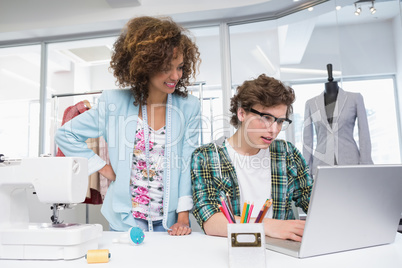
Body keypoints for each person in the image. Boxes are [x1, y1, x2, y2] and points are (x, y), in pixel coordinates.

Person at [55, 16, 201, 236]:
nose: (175, 76)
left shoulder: (189, 107)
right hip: (125, 218)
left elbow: (187, 164)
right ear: (145, 66)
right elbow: (66, 135)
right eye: (166, 68)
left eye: (179, 67)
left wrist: (182, 218)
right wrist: (101, 167)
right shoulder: (114, 103)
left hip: (170, 222)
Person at [191, 74, 313, 242]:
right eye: (266, 118)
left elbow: (312, 201)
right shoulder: (207, 156)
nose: (274, 129)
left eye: (280, 121)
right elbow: (211, 221)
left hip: (282, 251)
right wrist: (268, 225)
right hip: (235, 249)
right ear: (241, 113)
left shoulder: (287, 153)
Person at [303, 64, 373, 178]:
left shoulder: (354, 98)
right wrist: (305, 170)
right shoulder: (311, 103)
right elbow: (307, 141)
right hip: (321, 164)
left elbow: (364, 133)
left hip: (350, 161)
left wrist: (366, 164)